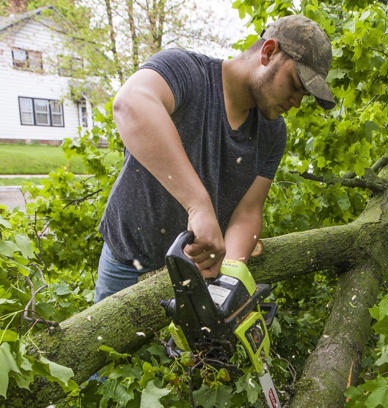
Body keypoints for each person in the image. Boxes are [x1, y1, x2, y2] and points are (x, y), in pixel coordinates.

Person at [93, 15, 335, 302]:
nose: (296, 101)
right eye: (294, 84)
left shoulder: (272, 132)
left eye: (304, 95)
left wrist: (229, 279)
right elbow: (130, 104)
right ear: (268, 52)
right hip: (128, 260)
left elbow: (248, 211)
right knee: (106, 332)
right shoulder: (185, 71)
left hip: (195, 272)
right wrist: (198, 206)